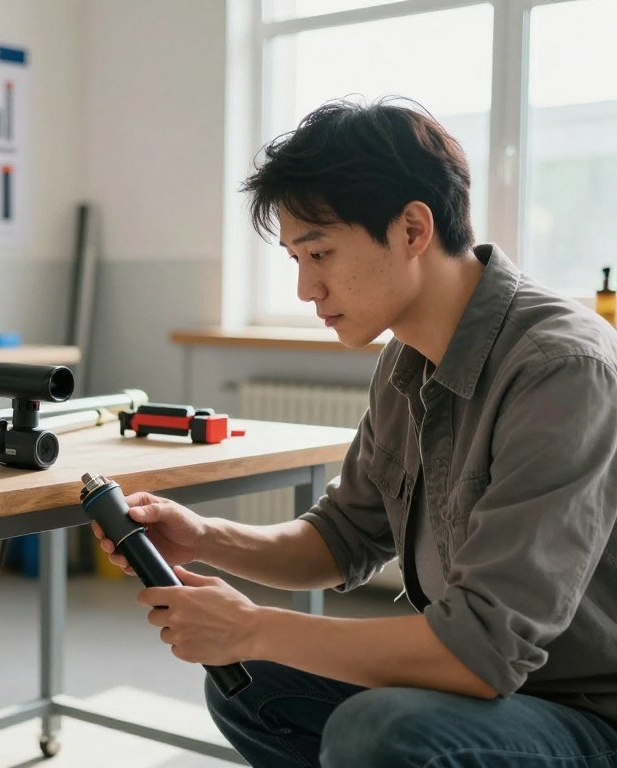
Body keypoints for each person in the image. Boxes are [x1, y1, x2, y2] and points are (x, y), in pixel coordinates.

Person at [92, 98, 617, 767]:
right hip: (501, 689)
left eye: (320, 252)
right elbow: (339, 540)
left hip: (588, 712)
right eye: (294, 258)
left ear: (412, 230)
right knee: (250, 688)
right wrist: (205, 537)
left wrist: (252, 626)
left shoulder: (561, 370)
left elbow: (481, 653)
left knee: (382, 731)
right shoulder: (406, 357)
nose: (307, 287)